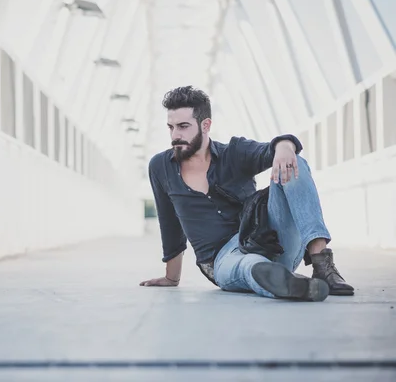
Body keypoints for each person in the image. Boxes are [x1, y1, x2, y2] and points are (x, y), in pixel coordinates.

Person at [140, 86, 354, 301]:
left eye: (183, 126)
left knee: (292, 162)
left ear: (206, 125)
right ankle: (284, 282)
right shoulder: (160, 166)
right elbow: (169, 223)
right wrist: (172, 277)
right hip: (222, 260)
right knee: (248, 265)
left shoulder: (234, 152)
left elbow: (273, 148)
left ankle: (321, 265)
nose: (176, 135)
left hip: (269, 242)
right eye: (171, 127)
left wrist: (285, 146)